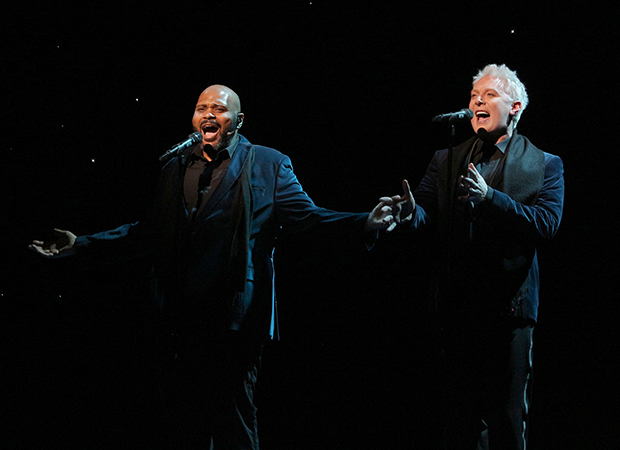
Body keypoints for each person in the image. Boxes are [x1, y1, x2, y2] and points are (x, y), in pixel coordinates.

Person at [29, 84, 393, 449]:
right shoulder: (176, 166)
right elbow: (150, 233)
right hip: (178, 313)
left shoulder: (267, 162)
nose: (208, 114)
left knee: (233, 417)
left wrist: (363, 221)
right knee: (184, 420)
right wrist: (82, 245)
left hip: (236, 314)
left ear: (237, 120)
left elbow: (308, 218)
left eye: (218, 109)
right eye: (202, 107)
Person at [381, 65, 564, 449]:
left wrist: (491, 199)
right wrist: (409, 213)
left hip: (511, 307)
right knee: (461, 415)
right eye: (474, 95)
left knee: (509, 413)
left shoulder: (547, 164)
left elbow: (546, 224)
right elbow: (426, 218)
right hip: (458, 303)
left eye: (490, 95)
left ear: (514, 107)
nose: (477, 100)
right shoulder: (445, 159)